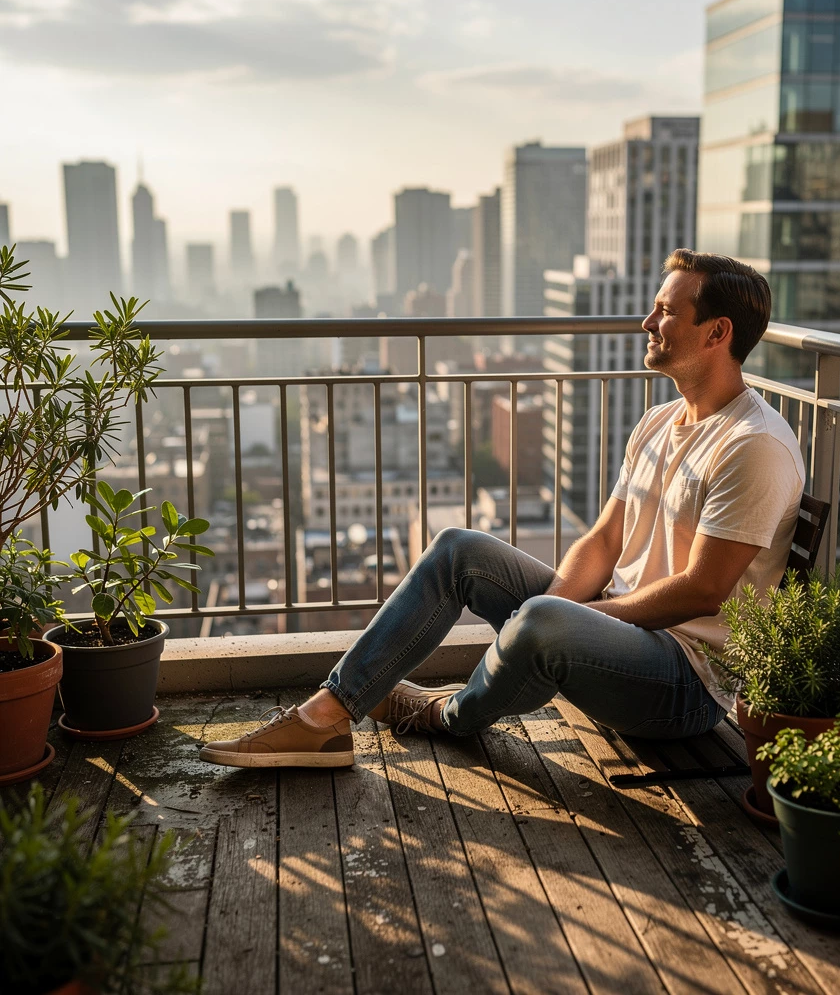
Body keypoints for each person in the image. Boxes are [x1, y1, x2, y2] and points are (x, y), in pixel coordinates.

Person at [200, 250, 805, 769]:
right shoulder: (659, 421)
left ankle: (443, 714)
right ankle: (327, 715)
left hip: (686, 684)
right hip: (616, 635)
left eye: (667, 312)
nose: (647, 321)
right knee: (458, 549)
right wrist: (574, 611)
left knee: (542, 619)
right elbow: (601, 540)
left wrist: (576, 619)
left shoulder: (754, 446)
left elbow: (703, 591)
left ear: (717, 332)